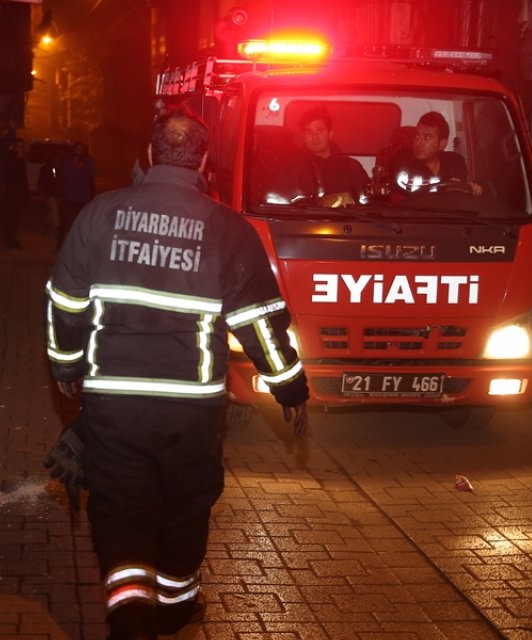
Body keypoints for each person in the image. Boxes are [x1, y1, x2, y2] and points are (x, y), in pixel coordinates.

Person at [45, 106, 309, 639]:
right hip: (191, 409)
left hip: (114, 404)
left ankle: (131, 619)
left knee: (120, 512)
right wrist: (288, 384)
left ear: (148, 154)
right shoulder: (227, 228)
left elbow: (65, 303)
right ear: (205, 161)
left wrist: (66, 367)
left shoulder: (100, 214)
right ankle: (174, 608)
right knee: (185, 507)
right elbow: (259, 322)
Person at [266, 106, 369, 207]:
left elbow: (369, 203)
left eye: (320, 131)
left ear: (330, 134)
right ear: (303, 135)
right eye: (309, 132)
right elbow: (274, 206)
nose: (314, 137)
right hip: (303, 223)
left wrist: (351, 200)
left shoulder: (351, 167)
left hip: (345, 223)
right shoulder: (290, 169)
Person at [389, 111, 483, 195]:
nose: (418, 143)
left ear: (442, 144)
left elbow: (461, 193)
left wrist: (473, 188)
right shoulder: (402, 161)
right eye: (417, 136)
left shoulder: (455, 161)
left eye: (427, 137)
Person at [57, 141, 96, 244]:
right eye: (77, 149)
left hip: (83, 196)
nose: (79, 152)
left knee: (82, 221)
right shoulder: (68, 161)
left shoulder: (88, 161)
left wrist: (82, 167)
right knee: (66, 221)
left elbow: (92, 174)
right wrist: (73, 165)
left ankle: (79, 242)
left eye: (81, 150)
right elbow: (64, 174)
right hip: (70, 196)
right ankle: (61, 242)